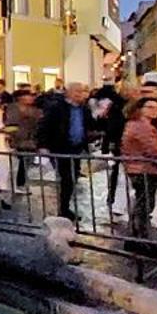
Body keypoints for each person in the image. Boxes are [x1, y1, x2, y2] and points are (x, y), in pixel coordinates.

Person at [119, 96, 157, 243]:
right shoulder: (141, 126)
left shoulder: (144, 125)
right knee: (144, 204)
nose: (154, 111)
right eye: (149, 107)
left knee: (144, 202)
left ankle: (137, 236)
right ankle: (139, 237)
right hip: (144, 169)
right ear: (140, 109)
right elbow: (153, 149)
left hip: (144, 168)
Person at [35, 83, 93, 222]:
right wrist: (43, 145)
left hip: (76, 148)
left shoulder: (84, 109)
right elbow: (44, 126)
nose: (81, 94)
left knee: (72, 178)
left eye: (83, 91)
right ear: (69, 93)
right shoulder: (57, 108)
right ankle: (64, 209)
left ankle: (65, 207)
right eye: (77, 91)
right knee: (67, 178)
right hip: (61, 148)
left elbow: (88, 125)